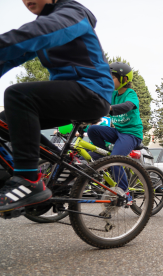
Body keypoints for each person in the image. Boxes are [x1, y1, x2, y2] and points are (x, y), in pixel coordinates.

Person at [0, 0, 112, 212]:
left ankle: (28, 180)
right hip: (69, 94)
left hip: (92, 91)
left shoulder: (73, 13)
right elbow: (12, 57)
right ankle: (61, 168)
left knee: (17, 95)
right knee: (4, 122)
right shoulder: (45, 22)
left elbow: (36, 34)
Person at [87, 62, 143, 203]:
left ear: (124, 79)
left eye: (112, 78)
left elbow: (128, 106)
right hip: (117, 131)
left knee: (115, 160)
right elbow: (99, 104)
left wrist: (110, 109)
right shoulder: (112, 94)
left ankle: (126, 194)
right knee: (93, 130)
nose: (109, 80)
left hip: (131, 134)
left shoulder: (130, 94)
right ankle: (103, 154)